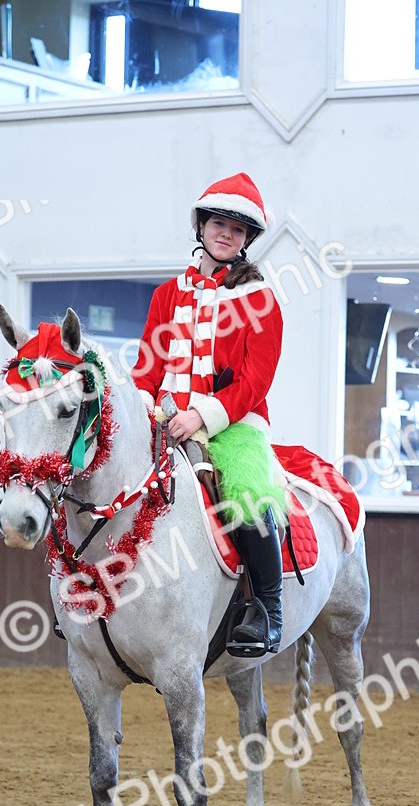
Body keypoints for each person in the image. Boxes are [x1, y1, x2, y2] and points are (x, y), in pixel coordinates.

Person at [133, 171, 286, 655]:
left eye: (237, 230)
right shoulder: (165, 295)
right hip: (161, 422)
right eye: (219, 223)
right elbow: (146, 369)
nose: (226, 234)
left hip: (232, 426)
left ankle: (267, 610)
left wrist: (201, 416)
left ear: (246, 241)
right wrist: (148, 409)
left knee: (245, 489)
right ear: (201, 226)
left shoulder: (259, 299)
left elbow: (255, 382)